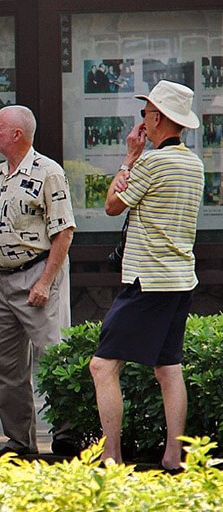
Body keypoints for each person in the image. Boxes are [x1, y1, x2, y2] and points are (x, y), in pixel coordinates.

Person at [89, 80, 203, 472]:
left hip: (147, 279)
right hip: (180, 278)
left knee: (102, 366)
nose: (142, 121)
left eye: (145, 114)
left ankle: (111, 456)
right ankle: (174, 457)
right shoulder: (194, 163)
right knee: (168, 367)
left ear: (157, 118)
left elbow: (111, 205)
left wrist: (129, 157)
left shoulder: (152, 162)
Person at [0, 105, 76, 456]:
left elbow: (64, 232)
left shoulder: (48, 172)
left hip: (38, 272)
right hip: (0, 279)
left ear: (17, 134)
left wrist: (45, 282)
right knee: (5, 367)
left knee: (54, 357)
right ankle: (19, 442)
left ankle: (67, 434)